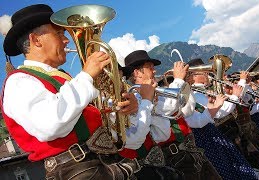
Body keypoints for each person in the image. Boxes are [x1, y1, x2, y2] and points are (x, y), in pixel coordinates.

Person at [1, 4, 157, 180]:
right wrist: (87, 75)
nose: (67, 40)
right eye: (59, 34)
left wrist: (129, 110)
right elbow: (51, 124)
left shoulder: (69, 81)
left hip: (107, 163)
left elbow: (128, 139)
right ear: (36, 40)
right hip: (77, 170)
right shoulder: (18, 81)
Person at [124, 50, 222, 180]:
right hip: (174, 158)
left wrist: (186, 84)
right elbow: (170, 107)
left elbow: (187, 110)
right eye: (150, 67)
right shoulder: (137, 97)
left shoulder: (158, 90)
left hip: (189, 150)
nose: (154, 71)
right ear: (137, 72)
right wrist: (178, 80)